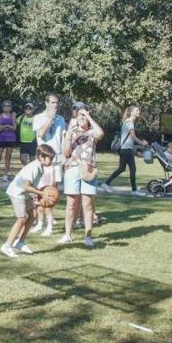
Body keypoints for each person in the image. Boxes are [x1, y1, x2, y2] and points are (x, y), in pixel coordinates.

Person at [58, 104, 105, 246]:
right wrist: (68, 136)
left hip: (88, 169)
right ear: (76, 118)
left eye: (84, 117)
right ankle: (67, 234)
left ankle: (88, 236)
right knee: (71, 204)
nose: (82, 119)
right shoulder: (71, 131)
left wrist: (89, 116)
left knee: (87, 204)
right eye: (80, 116)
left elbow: (101, 134)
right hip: (72, 169)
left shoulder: (92, 132)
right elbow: (66, 153)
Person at [2, 144, 56, 257]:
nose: (51, 161)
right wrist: (41, 194)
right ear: (41, 157)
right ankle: (7, 246)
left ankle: (20, 242)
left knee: (33, 215)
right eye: (50, 158)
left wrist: (35, 196)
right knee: (21, 219)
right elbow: (26, 186)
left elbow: (31, 186)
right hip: (17, 193)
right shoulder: (34, 168)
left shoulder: (40, 167)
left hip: (24, 194)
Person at [32, 94, 67, 236]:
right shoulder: (38, 117)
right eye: (52, 103)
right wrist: (50, 119)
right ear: (46, 103)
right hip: (43, 159)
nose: (55, 105)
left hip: (57, 159)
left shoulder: (61, 119)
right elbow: (40, 133)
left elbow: (63, 138)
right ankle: (40, 223)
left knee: (52, 193)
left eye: (57, 103)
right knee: (39, 193)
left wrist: (65, 155)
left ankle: (49, 225)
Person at [104, 105, 149, 193]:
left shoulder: (127, 122)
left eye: (138, 110)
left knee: (121, 168)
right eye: (136, 110)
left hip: (124, 149)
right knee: (133, 169)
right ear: (131, 112)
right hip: (126, 149)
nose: (138, 112)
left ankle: (106, 183)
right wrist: (143, 143)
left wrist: (136, 150)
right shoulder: (130, 122)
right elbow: (134, 137)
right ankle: (134, 190)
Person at [0, 100, 18, 179]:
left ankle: (5, 175)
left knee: (8, 157)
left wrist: (5, 126)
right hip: (1, 138)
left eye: (8, 106)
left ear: (11, 107)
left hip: (11, 138)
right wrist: (6, 126)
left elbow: (14, 128)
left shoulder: (13, 116)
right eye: (5, 106)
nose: (6, 107)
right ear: (2, 107)